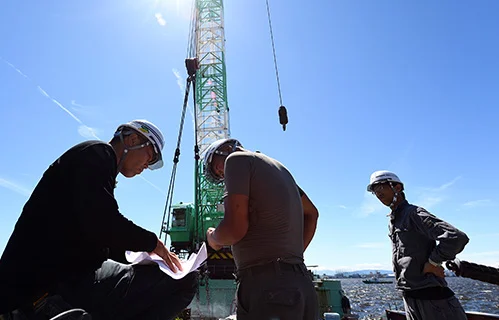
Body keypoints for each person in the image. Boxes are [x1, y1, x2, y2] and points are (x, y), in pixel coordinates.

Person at [0, 120, 197, 320]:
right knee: (185, 280)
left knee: (160, 276)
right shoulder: (98, 153)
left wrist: (141, 257)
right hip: (45, 285)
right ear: (133, 139)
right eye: (151, 155)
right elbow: (104, 223)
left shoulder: (95, 165)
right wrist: (153, 243)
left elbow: (97, 236)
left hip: (59, 277)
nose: (147, 165)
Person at [202, 138, 319, 320]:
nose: (221, 174)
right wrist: (289, 257)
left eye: (216, 167)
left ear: (224, 149)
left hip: (269, 288)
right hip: (300, 284)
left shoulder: (235, 159)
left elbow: (233, 231)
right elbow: (312, 214)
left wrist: (213, 238)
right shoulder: (280, 169)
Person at [367, 170, 469, 320]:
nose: (378, 192)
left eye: (381, 186)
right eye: (374, 190)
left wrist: (433, 261)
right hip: (410, 296)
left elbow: (456, 237)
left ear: (397, 188)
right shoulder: (395, 220)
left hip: (432, 298)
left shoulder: (413, 213)